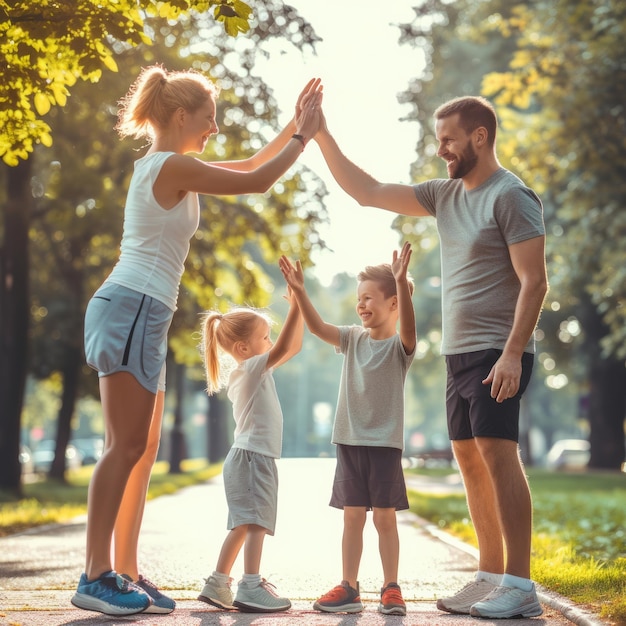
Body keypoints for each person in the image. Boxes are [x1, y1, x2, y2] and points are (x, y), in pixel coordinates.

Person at [71, 64, 322, 616]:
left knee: (143, 451)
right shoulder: (170, 166)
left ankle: (127, 572)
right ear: (180, 116)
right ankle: (94, 575)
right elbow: (258, 181)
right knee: (125, 446)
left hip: (145, 312)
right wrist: (305, 136)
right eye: (209, 119)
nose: (214, 129)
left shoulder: (173, 167)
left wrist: (295, 125)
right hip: (132, 306)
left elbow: (255, 163)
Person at [310, 95, 549, 619]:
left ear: (479, 136)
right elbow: (367, 192)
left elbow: (535, 281)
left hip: (496, 350)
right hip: (458, 353)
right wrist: (322, 133)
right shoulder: (444, 195)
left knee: (497, 455)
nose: (440, 149)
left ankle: (520, 585)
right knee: (469, 459)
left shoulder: (511, 195)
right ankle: (489, 576)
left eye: (448, 139)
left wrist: (512, 353)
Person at [279, 242, 416, 616]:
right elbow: (319, 327)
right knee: (352, 517)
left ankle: (391, 587)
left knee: (384, 518)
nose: (362, 305)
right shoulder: (353, 338)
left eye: (369, 298)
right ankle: (350, 587)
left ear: (393, 304)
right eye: (359, 299)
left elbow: (409, 330)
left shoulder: (400, 347)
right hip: (350, 443)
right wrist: (302, 293)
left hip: (385, 445)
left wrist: (402, 282)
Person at [196, 284, 303, 613]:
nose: (270, 343)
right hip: (253, 458)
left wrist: (299, 308)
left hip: (246, 458)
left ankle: (218, 583)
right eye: (264, 337)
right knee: (255, 522)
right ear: (244, 347)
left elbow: (292, 347)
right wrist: (297, 306)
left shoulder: (254, 369)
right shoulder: (251, 368)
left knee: (243, 523)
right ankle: (251, 584)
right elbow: (286, 344)